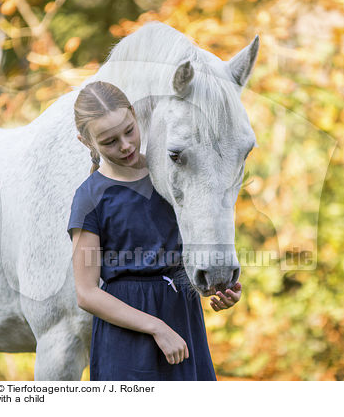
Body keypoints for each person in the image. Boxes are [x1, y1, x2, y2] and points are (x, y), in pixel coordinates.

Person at [68, 81, 242, 381]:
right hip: (127, 338)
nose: (125, 145)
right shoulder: (90, 197)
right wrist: (157, 328)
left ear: (135, 115)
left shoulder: (168, 178)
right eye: (110, 142)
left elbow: (184, 256)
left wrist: (216, 287)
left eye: (129, 130)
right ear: (87, 142)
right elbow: (86, 293)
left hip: (182, 322)